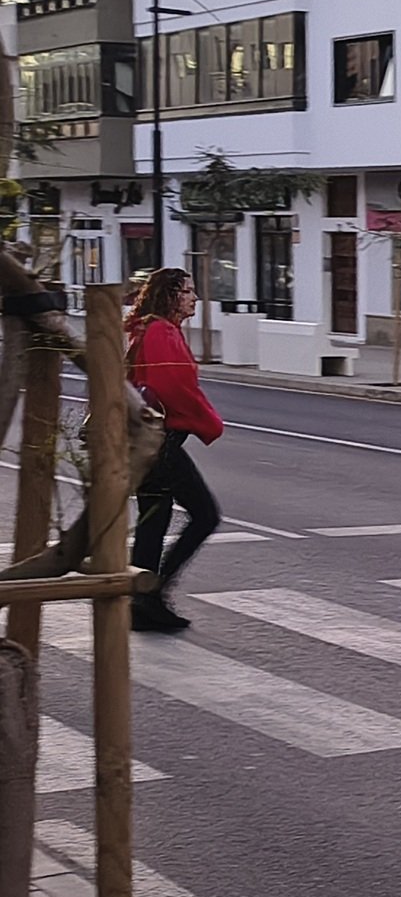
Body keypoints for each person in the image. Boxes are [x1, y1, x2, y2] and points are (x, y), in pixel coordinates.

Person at [125, 268, 224, 633]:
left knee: (154, 517)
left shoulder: (147, 328)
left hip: (144, 438)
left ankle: (141, 600)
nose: (195, 298)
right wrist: (209, 422)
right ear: (170, 295)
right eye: (188, 291)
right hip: (158, 441)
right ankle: (155, 592)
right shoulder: (160, 332)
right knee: (205, 514)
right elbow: (172, 387)